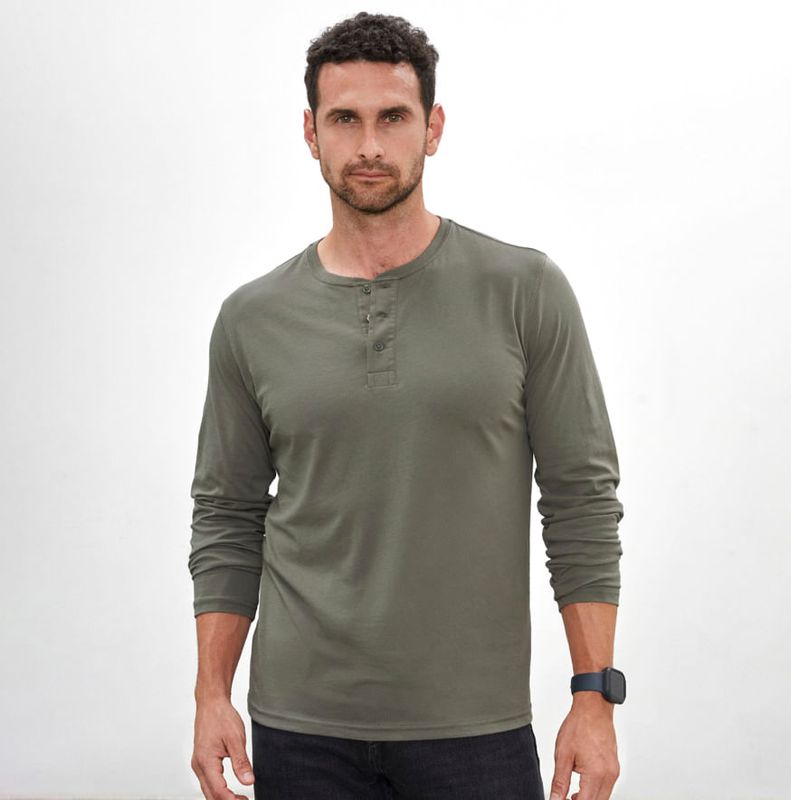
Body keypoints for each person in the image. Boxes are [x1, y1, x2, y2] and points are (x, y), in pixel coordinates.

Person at [188, 11, 625, 800]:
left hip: (476, 729)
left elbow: (581, 499)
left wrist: (593, 696)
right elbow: (226, 514)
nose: (369, 145)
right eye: (344, 119)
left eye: (392, 117)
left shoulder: (524, 291)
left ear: (434, 127)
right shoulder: (251, 319)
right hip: (300, 728)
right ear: (311, 133)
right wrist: (210, 694)